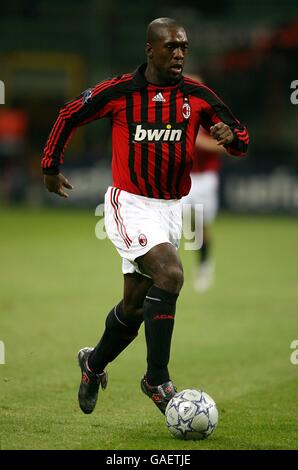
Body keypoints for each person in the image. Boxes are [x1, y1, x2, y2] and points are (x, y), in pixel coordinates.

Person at [41, 18, 249, 416]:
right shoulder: (119, 92)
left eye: (184, 47)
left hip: (171, 209)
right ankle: (157, 378)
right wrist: (50, 166)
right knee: (170, 275)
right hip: (130, 204)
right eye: (171, 47)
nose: (179, 54)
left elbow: (240, 136)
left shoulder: (197, 95)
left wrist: (232, 137)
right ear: (150, 50)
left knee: (134, 309)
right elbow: (68, 114)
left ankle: (93, 364)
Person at [183, 74, 227, 291]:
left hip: (205, 178)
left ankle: (204, 266)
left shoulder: (212, 115)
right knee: (171, 222)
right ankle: (163, 270)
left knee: (199, 227)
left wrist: (198, 141)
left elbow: (226, 146)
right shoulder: (176, 114)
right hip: (183, 176)